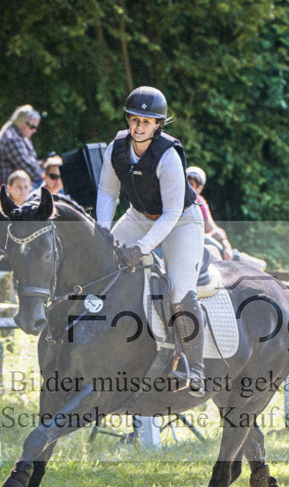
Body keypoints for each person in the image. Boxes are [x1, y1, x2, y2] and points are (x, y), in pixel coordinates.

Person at [96, 86, 206, 395]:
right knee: (100, 265)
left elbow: (171, 212)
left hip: (181, 220)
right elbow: (107, 192)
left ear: (158, 125)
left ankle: (194, 366)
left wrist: (140, 248)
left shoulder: (167, 155)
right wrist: (102, 233)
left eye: (146, 121)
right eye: (134, 119)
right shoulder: (116, 148)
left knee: (180, 289)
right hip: (139, 215)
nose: (139, 126)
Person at [0, 170, 34, 271]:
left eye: (26, 187)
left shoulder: (32, 210)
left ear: (30, 188)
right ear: (9, 188)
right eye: (19, 187)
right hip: (3, 260)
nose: (22, 191)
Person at [0, 105, 43, 191]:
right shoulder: (11, 138)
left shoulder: (19, 136)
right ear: (22, 123)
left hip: (18, 187)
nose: (34, 131)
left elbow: (33, 162)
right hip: (9, 190)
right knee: (51, 186)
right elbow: (28, 168)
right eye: (32, 127)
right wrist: (48, 176)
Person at [186, 166, 233, 261]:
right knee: (206, 241)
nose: (193, 189)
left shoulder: (200, 201)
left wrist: (226, 245)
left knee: (210, 245)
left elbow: (212, 228)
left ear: (201, 188)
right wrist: (209, 236)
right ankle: (237, 258)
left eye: (197, 185)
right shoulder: (175, 199)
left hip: (193, 243)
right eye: (189, 184)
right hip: (175, 243)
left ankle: (235, 256)